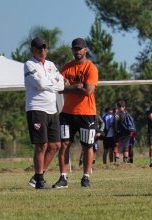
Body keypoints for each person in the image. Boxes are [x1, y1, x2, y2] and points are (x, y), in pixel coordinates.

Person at [53, 38, 98, 188]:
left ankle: (86, 176)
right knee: (64, 144)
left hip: (87, 113)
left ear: (85, 49)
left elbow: (88, 91)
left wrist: (70, 86)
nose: (77, 51)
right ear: (72, 50)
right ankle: (63, 177)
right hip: (67, 113)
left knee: (87, 146)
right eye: (75, 48)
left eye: (80, 48)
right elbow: (58, 87)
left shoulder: (91, 68)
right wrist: (77, 86)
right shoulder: (66, 68)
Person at [24, 37, 64, 189]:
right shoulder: (29, 64)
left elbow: (62, 82)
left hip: (52, 109)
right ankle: (40, 179)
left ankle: (37, 176)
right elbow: (39, 84)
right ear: (32, 49)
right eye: (39, 48)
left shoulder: (51, 64)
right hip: (36, 108)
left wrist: (51, 83)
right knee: (41, 145)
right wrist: (53, 82)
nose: (42, 50)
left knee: (55, 145)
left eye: (45, 48)